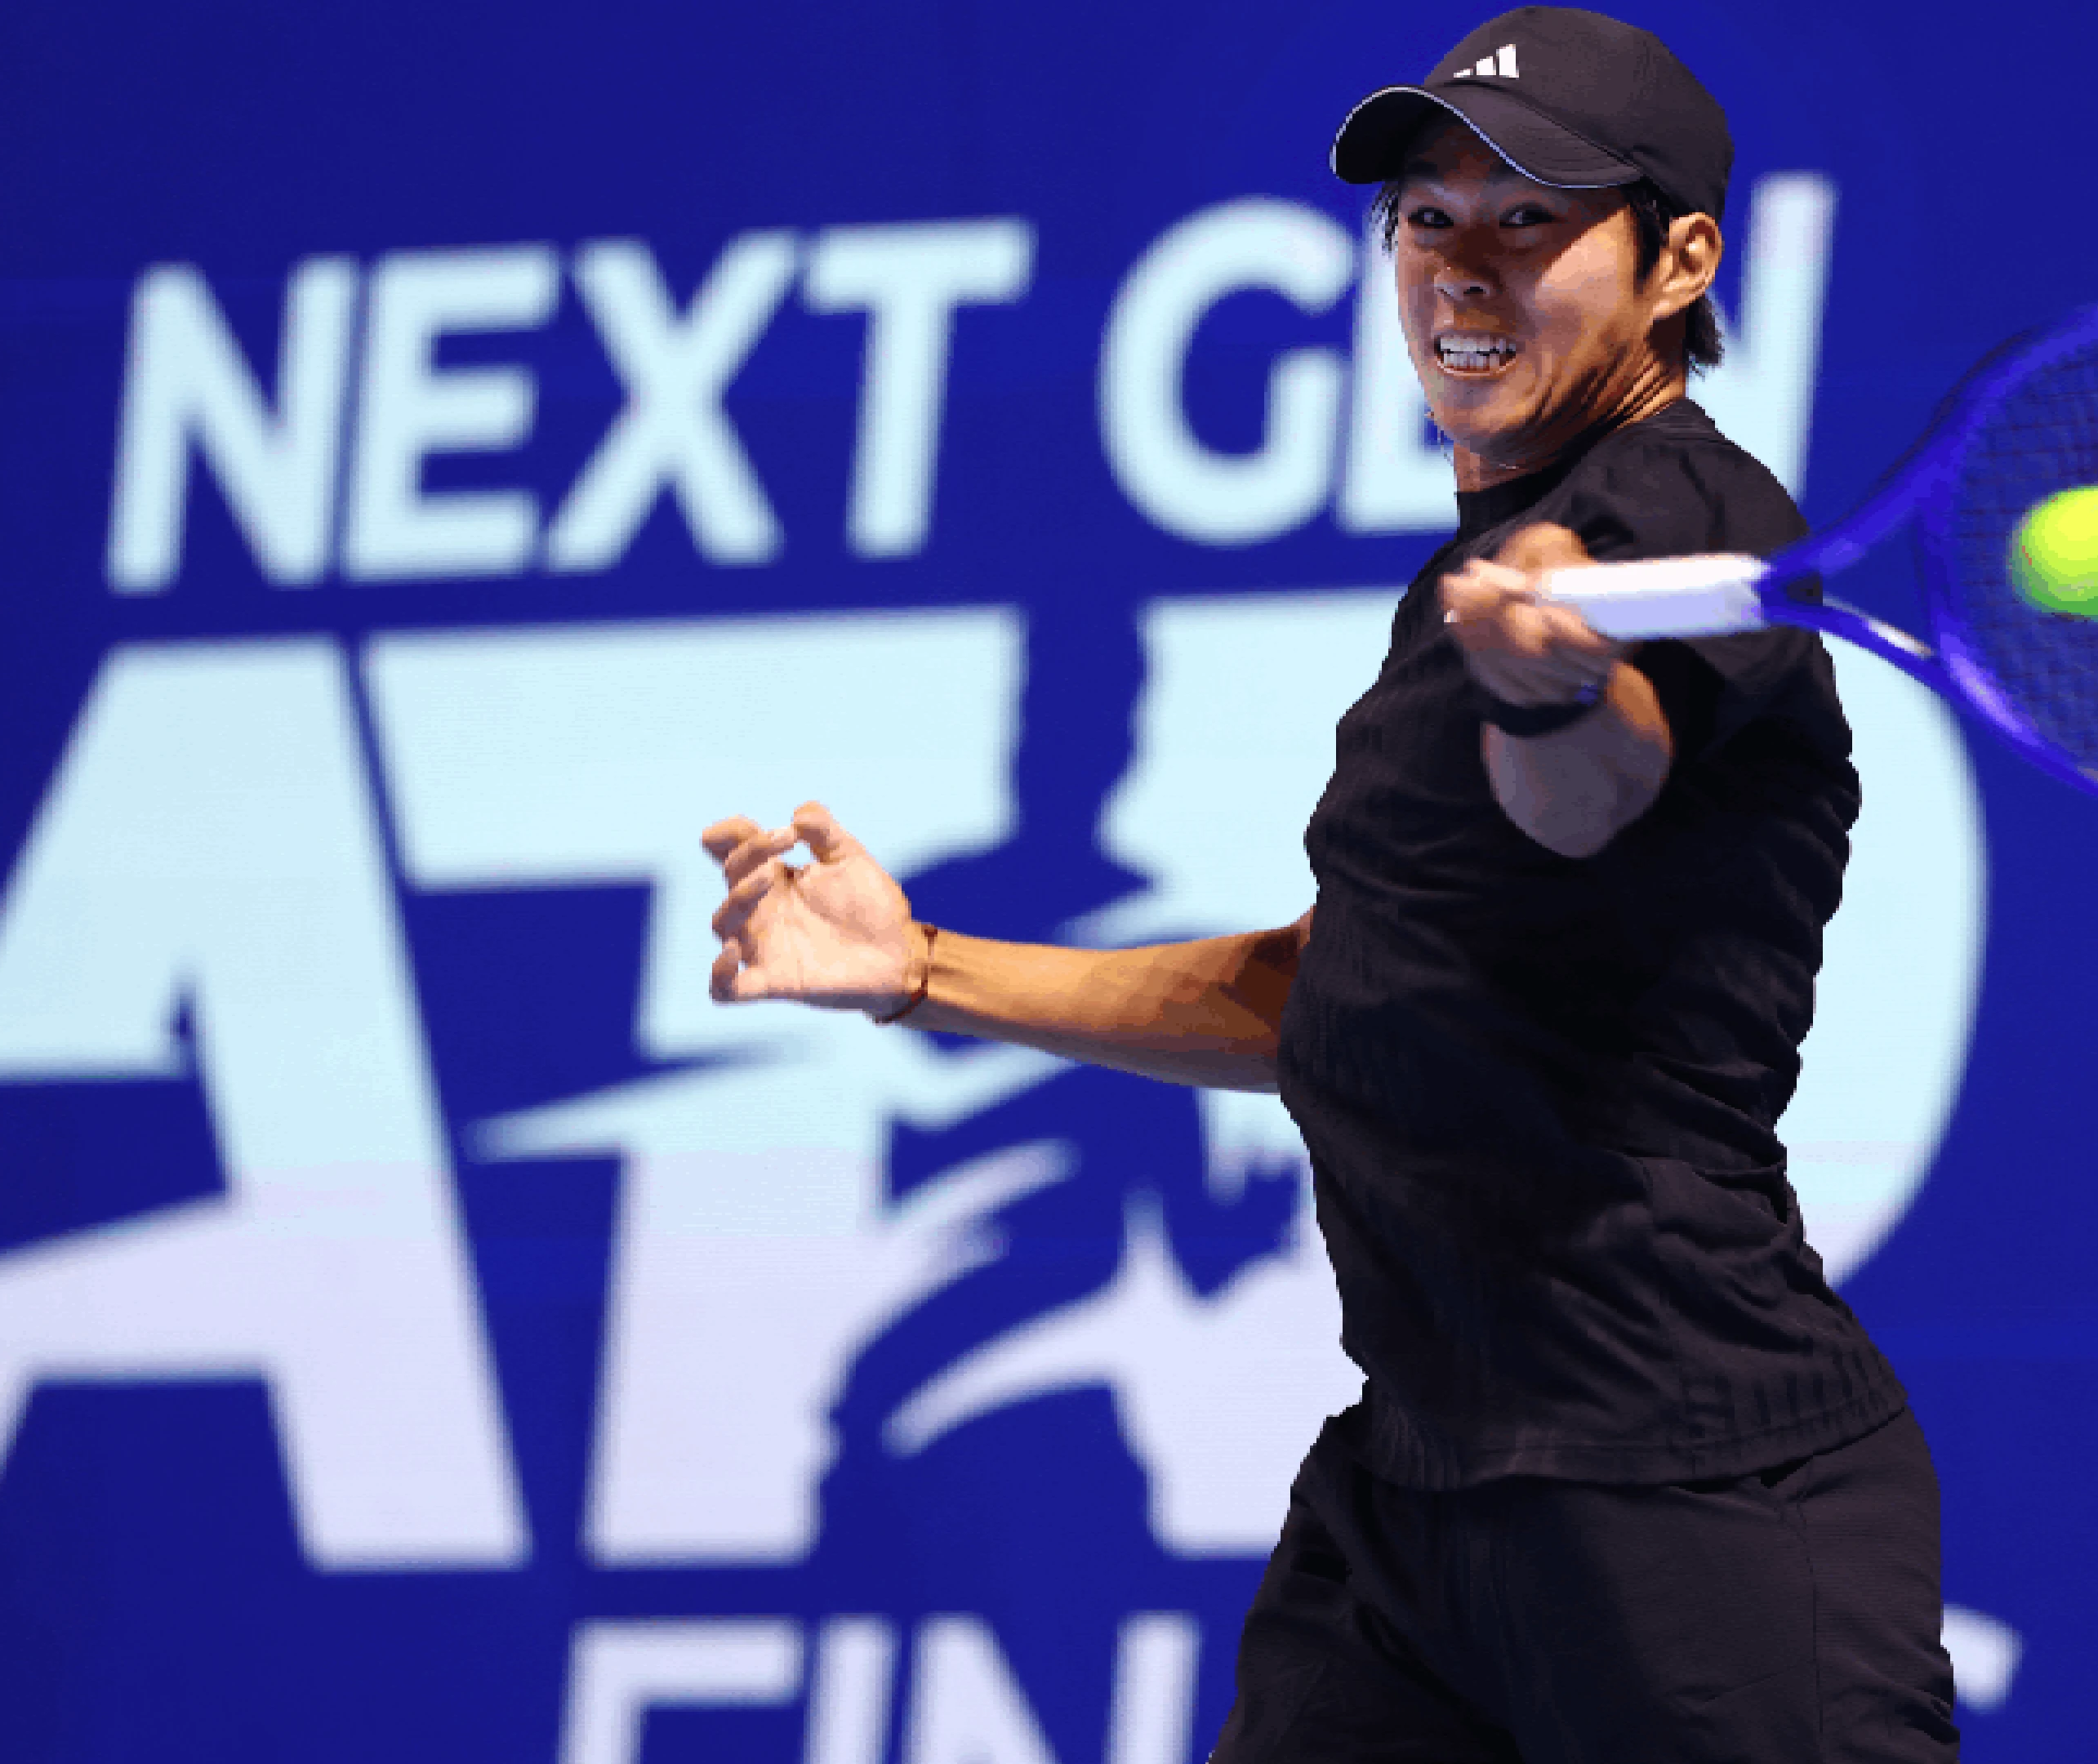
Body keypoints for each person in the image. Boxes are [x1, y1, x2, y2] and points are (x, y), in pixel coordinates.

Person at [701, 7, 1959, 1758]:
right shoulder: (1485, 567)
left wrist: (1556, 689)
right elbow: (1324, 992)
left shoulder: (1680, 511)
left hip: (1688, 1487)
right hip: (1427, 1495)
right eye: (1427, 217)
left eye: (1531, 218)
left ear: (1681, 263)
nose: (1461, 266)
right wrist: (918, 964)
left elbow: (1592, 789)